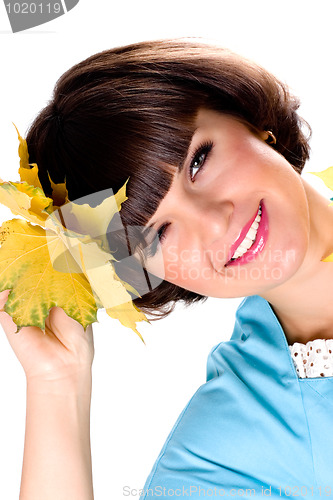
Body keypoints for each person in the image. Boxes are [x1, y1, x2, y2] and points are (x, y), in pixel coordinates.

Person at [1, 38, 333, 499]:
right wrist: (56, 385)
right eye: (158, 233)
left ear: (247, 114)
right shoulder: (232, 450)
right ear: (146, 277)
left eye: (198, 160)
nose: (215, 221)